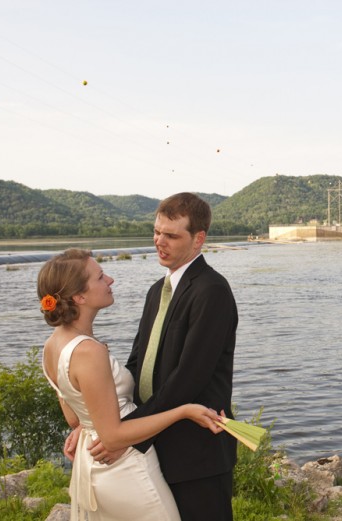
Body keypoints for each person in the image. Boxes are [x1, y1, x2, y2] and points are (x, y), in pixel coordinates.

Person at [38, 248, 223, 521]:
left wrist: (85, 426)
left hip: (95, 462)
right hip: (125, 465)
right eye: (100, 277)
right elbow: (112, 437)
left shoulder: (52, 345)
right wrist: (183, 411)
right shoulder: (89, 352)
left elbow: (73, 415)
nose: (110, 280)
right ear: (80, 296)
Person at [90, 192, 239, 520]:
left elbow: (189, 379)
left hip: (197, 453)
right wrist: (97, 424)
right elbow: (136, 364)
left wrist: (126, 433)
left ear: (198, 239)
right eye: (157, 232)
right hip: (153, 447)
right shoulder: (157, 290)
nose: (159, 241)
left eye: (171, 235)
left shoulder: (212, 291)